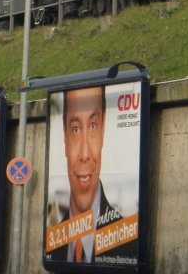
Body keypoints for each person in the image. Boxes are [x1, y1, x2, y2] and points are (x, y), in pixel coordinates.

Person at [47, 86, 137, 263]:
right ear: (64, 137)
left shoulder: (129, 243)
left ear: (103, 131)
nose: (85, 154)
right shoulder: (52, 243)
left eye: (93, 126)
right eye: (75, 129)